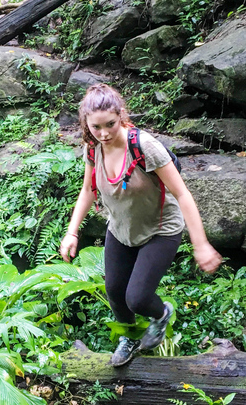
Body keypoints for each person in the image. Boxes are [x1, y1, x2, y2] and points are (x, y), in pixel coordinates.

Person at [59, 84, 223, 367]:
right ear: (86, 123)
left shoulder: (144, 147)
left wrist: (201, 244)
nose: (104, 134)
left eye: (110, 125)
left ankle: (161, 315)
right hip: (121, 229)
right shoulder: (92, 146)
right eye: (96, 127)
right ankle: (130, 338)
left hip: (160, 230)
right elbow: (87, 190)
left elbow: (182, 194)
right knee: (114, 291)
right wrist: (72, 232)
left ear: (121, 116)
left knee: (137, 298)